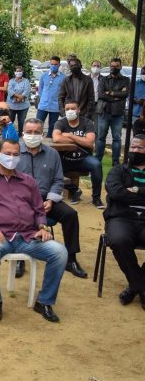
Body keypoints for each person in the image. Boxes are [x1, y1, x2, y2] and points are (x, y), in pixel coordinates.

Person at [0, 139, 68, 323]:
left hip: (27, 236)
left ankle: (44, 301)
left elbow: (39, 210)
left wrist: (41, 227)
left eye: (16, 154)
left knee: (60, 252)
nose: (12, 158)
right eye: (7, 153)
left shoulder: (28, 181)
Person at [18, 118, 87, 279]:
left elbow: (58, 180)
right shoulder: (15, 153)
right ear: (23, 133)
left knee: (70, 215)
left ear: (42, 134)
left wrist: (50, 200)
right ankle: (20, 258)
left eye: (36, 132)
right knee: (19, 216)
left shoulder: (52, 154)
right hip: (23, 201)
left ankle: (71, 259)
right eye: (29, 132)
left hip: (47, 198)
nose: (32, 135)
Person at [104, 134, 145, 307]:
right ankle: (141, 287)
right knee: (119, 240)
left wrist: (136, 191)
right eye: (132, 147)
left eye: (140, 148)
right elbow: (115, 193)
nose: (135, 151)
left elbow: (123, 194)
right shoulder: (117, 171)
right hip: (121, 217)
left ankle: (136, 285)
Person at [53, 99, 104, 208]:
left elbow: (90, 142)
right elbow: (56, 138)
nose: (70, 111)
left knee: (96, 165)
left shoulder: (88, 123)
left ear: (78, 110)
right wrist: (81, 140)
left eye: (73, 108)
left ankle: (96, 198)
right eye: (67, 109)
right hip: (65, 159)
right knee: (49, 166)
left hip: (84, 159)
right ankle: (75, 190)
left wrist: (70, 136)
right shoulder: (60, 122)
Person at [96, 58, 130, 166]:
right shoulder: (103, 79)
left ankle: (115, 162)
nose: (114, 68)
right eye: (112, 66)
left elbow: (125, 94)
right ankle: (98, 160)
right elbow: (101, 95)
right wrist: (116, 96)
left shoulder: (126, 80)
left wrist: (109, 93)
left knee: (117, 138)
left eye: (116, 66)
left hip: (118, 114)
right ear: (109, 66)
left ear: (120, 67)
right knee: (101, 137)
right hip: (104, 112)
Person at [36, 56, 66, 138]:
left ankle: (50, 144)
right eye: (52, 64)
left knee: (52, 127)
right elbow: (40, 89)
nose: (53, 66)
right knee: (38, 125)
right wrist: (43, 98)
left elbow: (64, 92)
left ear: (59, 65)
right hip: (43, 105)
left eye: (56, 64)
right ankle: (37, 141)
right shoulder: (44, 76)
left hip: (55, 106)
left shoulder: (63, 77)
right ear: (50, 64)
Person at [6, 65, 31, 135]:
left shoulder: (26, 81)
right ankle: (9, 133)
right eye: (17, 71)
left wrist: (21, 98)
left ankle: (20, 134)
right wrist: (19, 97)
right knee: (10, 120)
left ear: (22, 72)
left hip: (23, 105)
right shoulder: (11, 81)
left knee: (21, 121)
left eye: (20, 71)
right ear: (14, 72)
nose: (18, 73)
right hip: (12, 105)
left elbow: (27, 90)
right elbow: (10, 90)